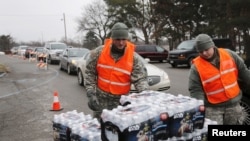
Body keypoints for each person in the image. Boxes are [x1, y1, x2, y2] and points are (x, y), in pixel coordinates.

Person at [85, 22, 149, 120]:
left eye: (123, 39)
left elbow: (140, 79)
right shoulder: (99, 52)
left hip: (121, 102)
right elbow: (90, 72)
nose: (121, 43)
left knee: (118, 130)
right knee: (99, 128)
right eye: (118, 39)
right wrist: (91, 93)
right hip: (101, 100)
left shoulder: (133, 58)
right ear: (112, 39)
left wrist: (145, 95)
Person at [188, 33, 250, 125]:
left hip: (233, 105)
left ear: (212, 45)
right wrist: (199, 106)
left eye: (206, 49)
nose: (204, 53)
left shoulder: (229, 55)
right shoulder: (196, 67)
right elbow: (195, 89)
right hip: (213, 109)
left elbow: (244, 72)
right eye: (201, 51)